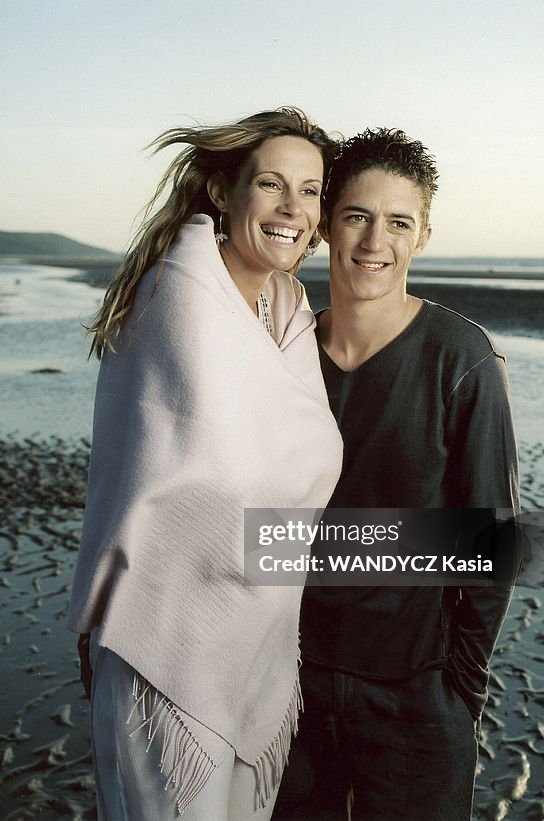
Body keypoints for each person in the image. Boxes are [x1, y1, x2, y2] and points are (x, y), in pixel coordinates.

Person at [67, 108, 343, 820]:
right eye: (274, 185)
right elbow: (213, 487)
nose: (294, 208)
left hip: (258, 644)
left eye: (311, 191)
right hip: (166, 641)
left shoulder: (284, 310)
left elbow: (285, 480)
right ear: (223, 192)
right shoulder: (179, 294)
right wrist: (438, 549)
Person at [273, 129, 521, 820]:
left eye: (398, 221)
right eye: (356, 215)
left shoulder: (462, 358)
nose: (374, 239)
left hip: (415, 698)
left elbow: (491, 539)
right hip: (289, 692)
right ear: (326, 224)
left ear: (423, 236)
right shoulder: (286, 355)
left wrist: (456, 690)